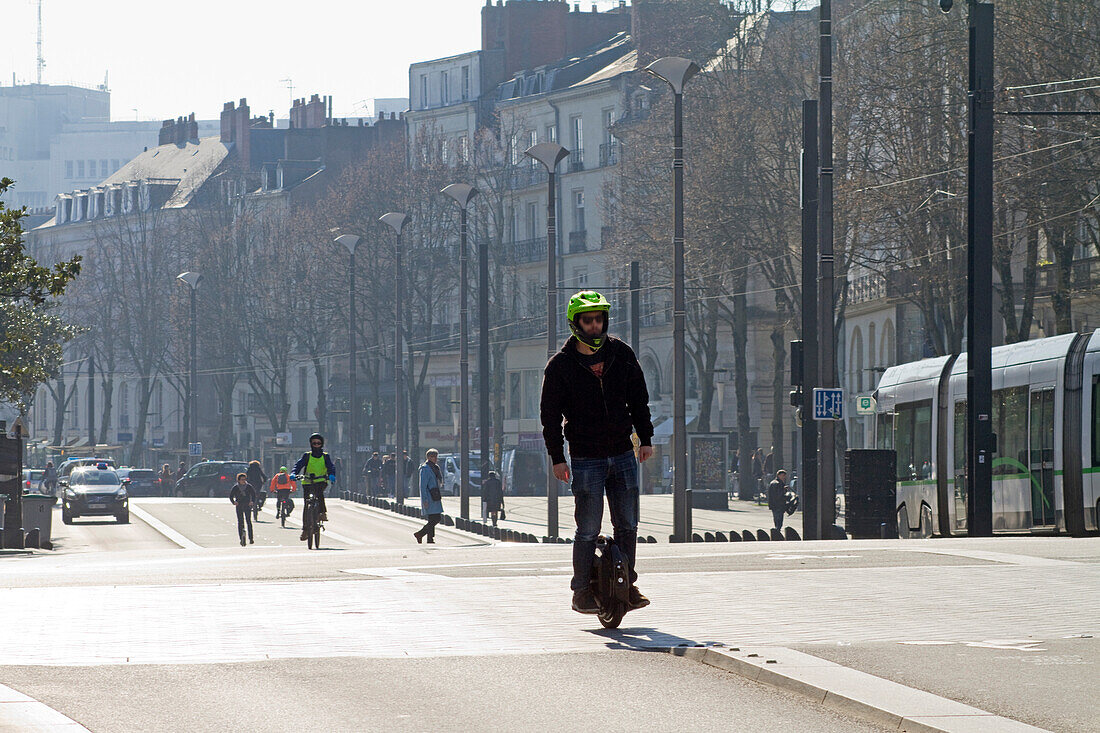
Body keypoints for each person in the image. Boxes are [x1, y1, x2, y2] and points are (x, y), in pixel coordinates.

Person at [540, 290, 654, 615]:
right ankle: (581, 592)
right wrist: (557, 458)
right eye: (588, 320)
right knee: (587, 528)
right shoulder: (560, 366)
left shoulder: (622, 353)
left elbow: (639, 400)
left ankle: (627, 586)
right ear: (576, 323)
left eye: (599, 319)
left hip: (622, 453)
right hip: (585, 458)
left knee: (628, 525)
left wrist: (645, 438)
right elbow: (549, 416)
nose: (595, 326)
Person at [293, 433, 336, 541]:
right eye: (314, 443)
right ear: (311, 444)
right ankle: (305, 529)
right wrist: (294, 473)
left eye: (318, 443)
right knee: (307, 505)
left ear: (321, 444)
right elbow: (298, 465)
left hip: (321, 480)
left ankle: (322, 513)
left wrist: (331, 475)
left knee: (319, 493)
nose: (316, 445)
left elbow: (331, 467)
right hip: (307, 481)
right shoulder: (307, 455)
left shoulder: (325, 456)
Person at [414, 449, 445, 544]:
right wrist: (425, 500)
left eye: (436, 457)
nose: (435, 459)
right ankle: (420, 534)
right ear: (428, 457)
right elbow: (422, 486)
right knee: (436, 518)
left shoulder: (435, 467)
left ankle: (430, 539)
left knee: (433, 518)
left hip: (435, 495)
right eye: (433, 457)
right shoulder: (425, 469)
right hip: (429, 496)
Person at [229, 473, 257, 546]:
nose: (243, 481)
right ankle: (241, 538)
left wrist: (252, 501)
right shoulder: (236, 487)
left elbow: (253, 494)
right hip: (239, 505)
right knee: (240, 521)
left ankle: (251, 538)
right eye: (242, 480)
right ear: (238, 480)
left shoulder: (249, 486)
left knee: (248, 521)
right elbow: (231, 496)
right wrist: (234, 502)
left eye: (245, 479)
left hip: (247, 505)